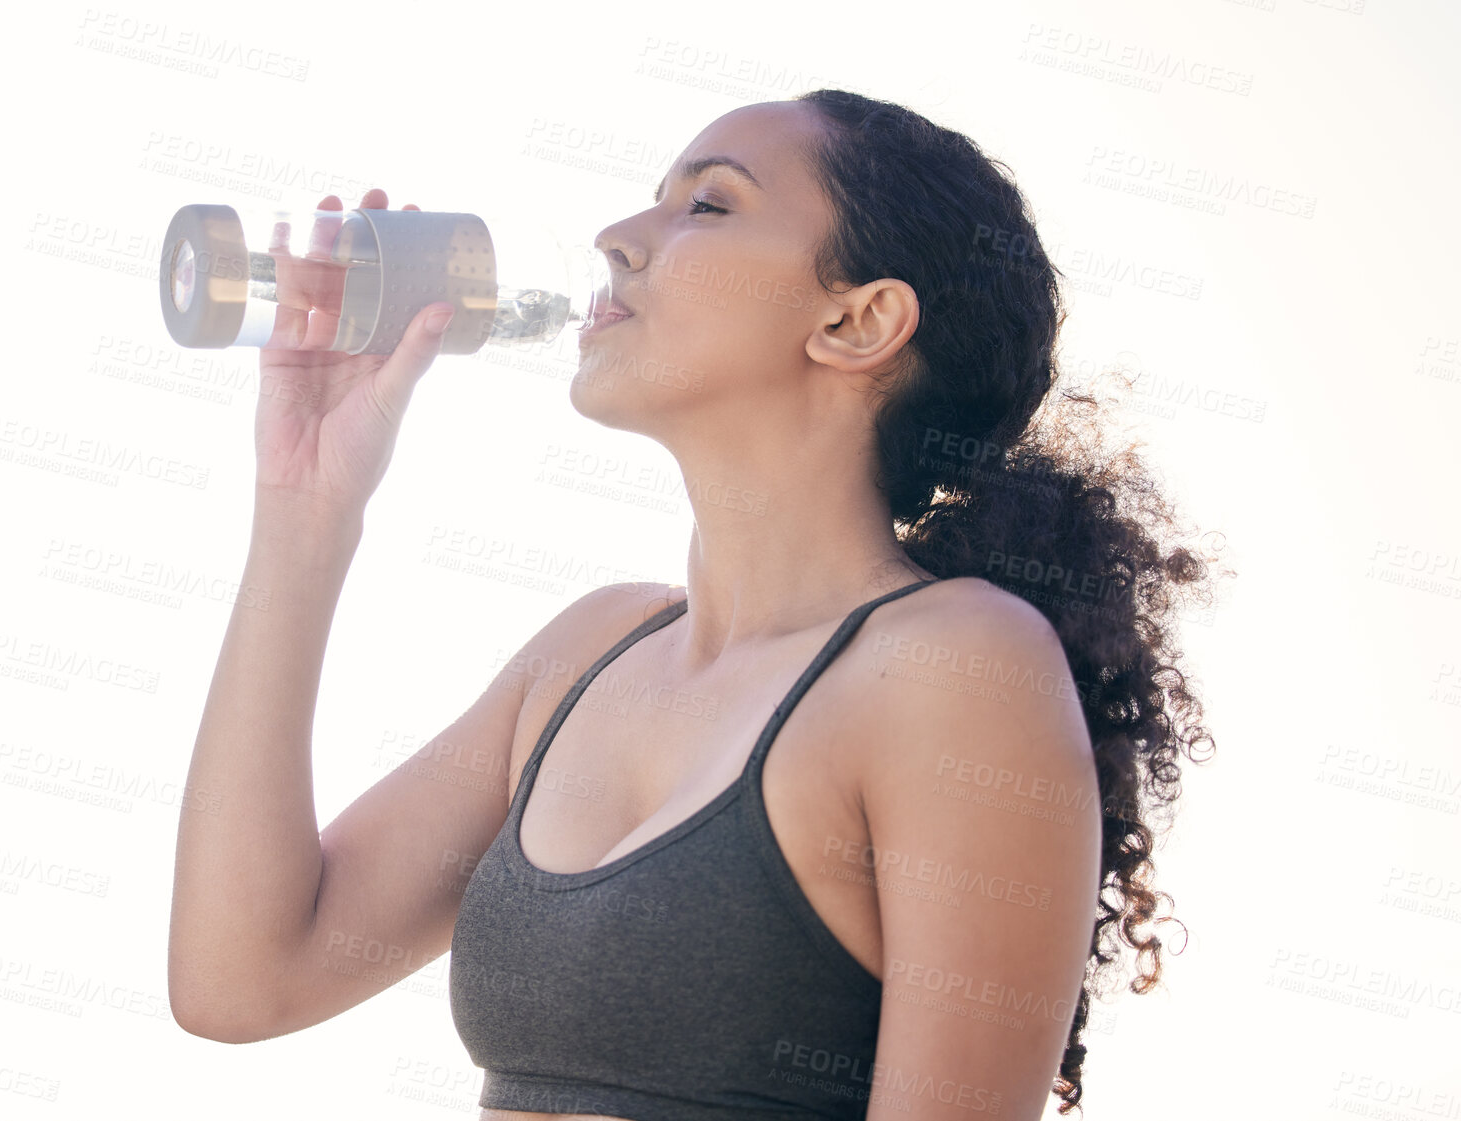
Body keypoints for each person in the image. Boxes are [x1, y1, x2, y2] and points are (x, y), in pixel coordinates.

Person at [168, 89, 1220, 1120]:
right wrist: (304, 511)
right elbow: (245, 976)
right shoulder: (588, 651)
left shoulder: (955, 666)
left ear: (856, 320)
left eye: (705, 205)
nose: (618, 237)